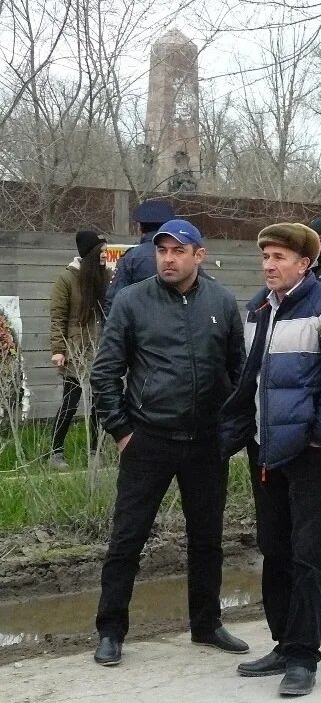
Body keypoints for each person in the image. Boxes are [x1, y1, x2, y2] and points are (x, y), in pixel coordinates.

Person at [90, 219, 248, 667]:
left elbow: (237, 373)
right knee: (127, 539)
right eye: (162, 251)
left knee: (207, 540)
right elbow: (105, 373)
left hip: (204, 443)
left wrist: (229, 432)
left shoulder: (220, 301)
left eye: (179, 251)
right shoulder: (131, 301)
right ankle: (111, 630)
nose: (168, 258)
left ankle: (207, 624)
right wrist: (122, 431)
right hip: (148, 439)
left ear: (199, 255)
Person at [219, 222, 321, 696]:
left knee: (309, 555)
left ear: (305, 263)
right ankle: (283, 642)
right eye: (265, 257)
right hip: (266, 451)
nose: (268, 265)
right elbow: (251, 379)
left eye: (279, 257)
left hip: (309, 453)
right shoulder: (258, 308)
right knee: (274, 548)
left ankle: (304, 656)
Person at [48, 230, 109, 468]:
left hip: (101, 348)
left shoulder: (105, 276)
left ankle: (95, 450)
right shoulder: (66, 279)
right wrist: (58, 349)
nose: (105, 255)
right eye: (102, 252)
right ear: (90, 253)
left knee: (98, 403)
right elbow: (58, 317)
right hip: (75, 349)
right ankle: (56, 451)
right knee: (70, 401)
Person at [103, 199, 174, 314]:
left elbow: (114, 301)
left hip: (139, 327)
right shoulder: (183, 256)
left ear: (140, 228)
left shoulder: (131, 258)